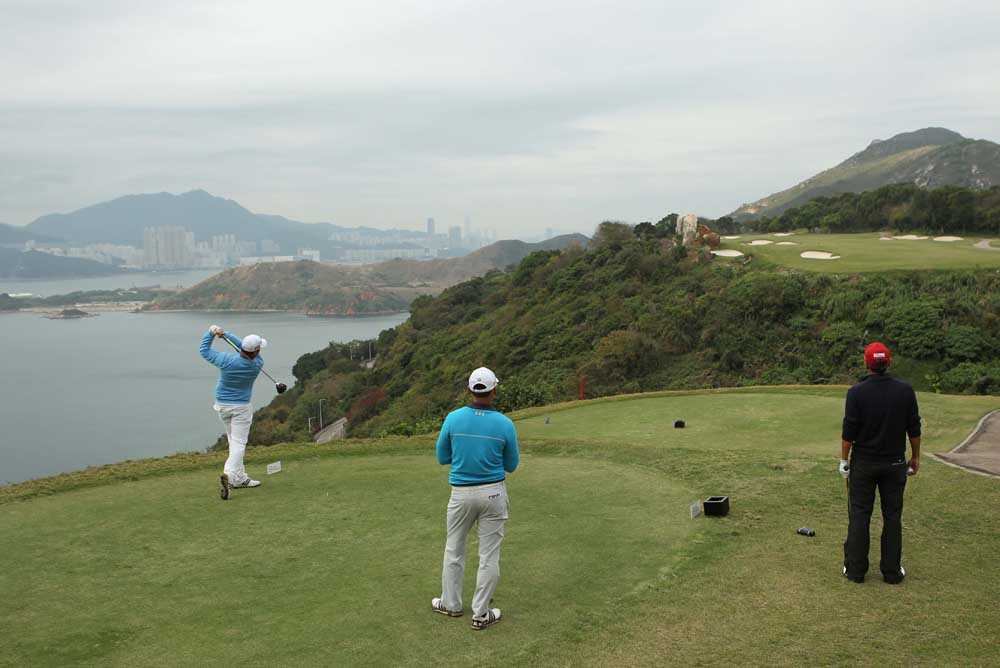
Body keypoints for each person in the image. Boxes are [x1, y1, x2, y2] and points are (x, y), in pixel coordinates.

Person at [432, 367, 519, 630]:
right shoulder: (505, 423)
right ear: (494, 391)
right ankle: (481, 614)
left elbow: (442, 457)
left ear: (470, 390)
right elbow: (512, 465)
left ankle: (451, 604)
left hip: (460, 494)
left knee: (454, 548)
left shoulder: (453, 418)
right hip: (493, 493)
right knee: (489, 555)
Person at [840, 342, 921, 584]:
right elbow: (914, 427)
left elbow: (848, 431)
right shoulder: (905, 391)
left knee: (860, 515)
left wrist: (843, 460)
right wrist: (915, 456)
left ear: (866, 364)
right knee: (892, 515)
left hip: (864, 463)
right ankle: (892, 572)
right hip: (895, 463)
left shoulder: (856, 392)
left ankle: (855, 571)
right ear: (889, 363)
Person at [200, 325, 267, 500]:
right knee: (238, 443)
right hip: (241, 408)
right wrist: (226, 336)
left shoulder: (226, 360)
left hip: (222, 406)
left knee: (233, 440)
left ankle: (240, 479)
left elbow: (204, 350)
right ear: (257, 351)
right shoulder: (258, 363)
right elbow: (245, 350)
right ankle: (230, 475)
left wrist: (212, 333)